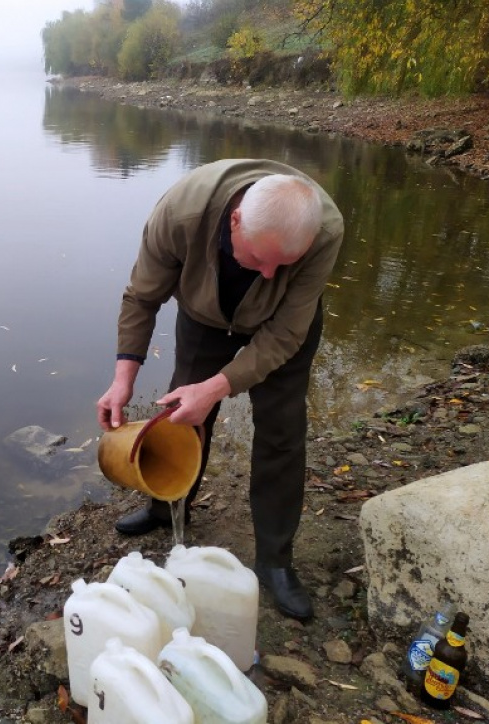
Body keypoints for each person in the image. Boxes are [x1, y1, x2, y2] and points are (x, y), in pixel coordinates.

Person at [96, 158, 344, 621]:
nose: (270, 273)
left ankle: (275, 561)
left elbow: (286, 336)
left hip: (282, 327)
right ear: (235, 220)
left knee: (281, 432)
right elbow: (143, 296)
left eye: (283, 264)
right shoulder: (180, 214)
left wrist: (218, 386)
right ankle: (167, 505)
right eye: (259, 259)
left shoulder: (324, 231)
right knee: (180, 416)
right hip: (205, 316)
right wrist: (123, 376)